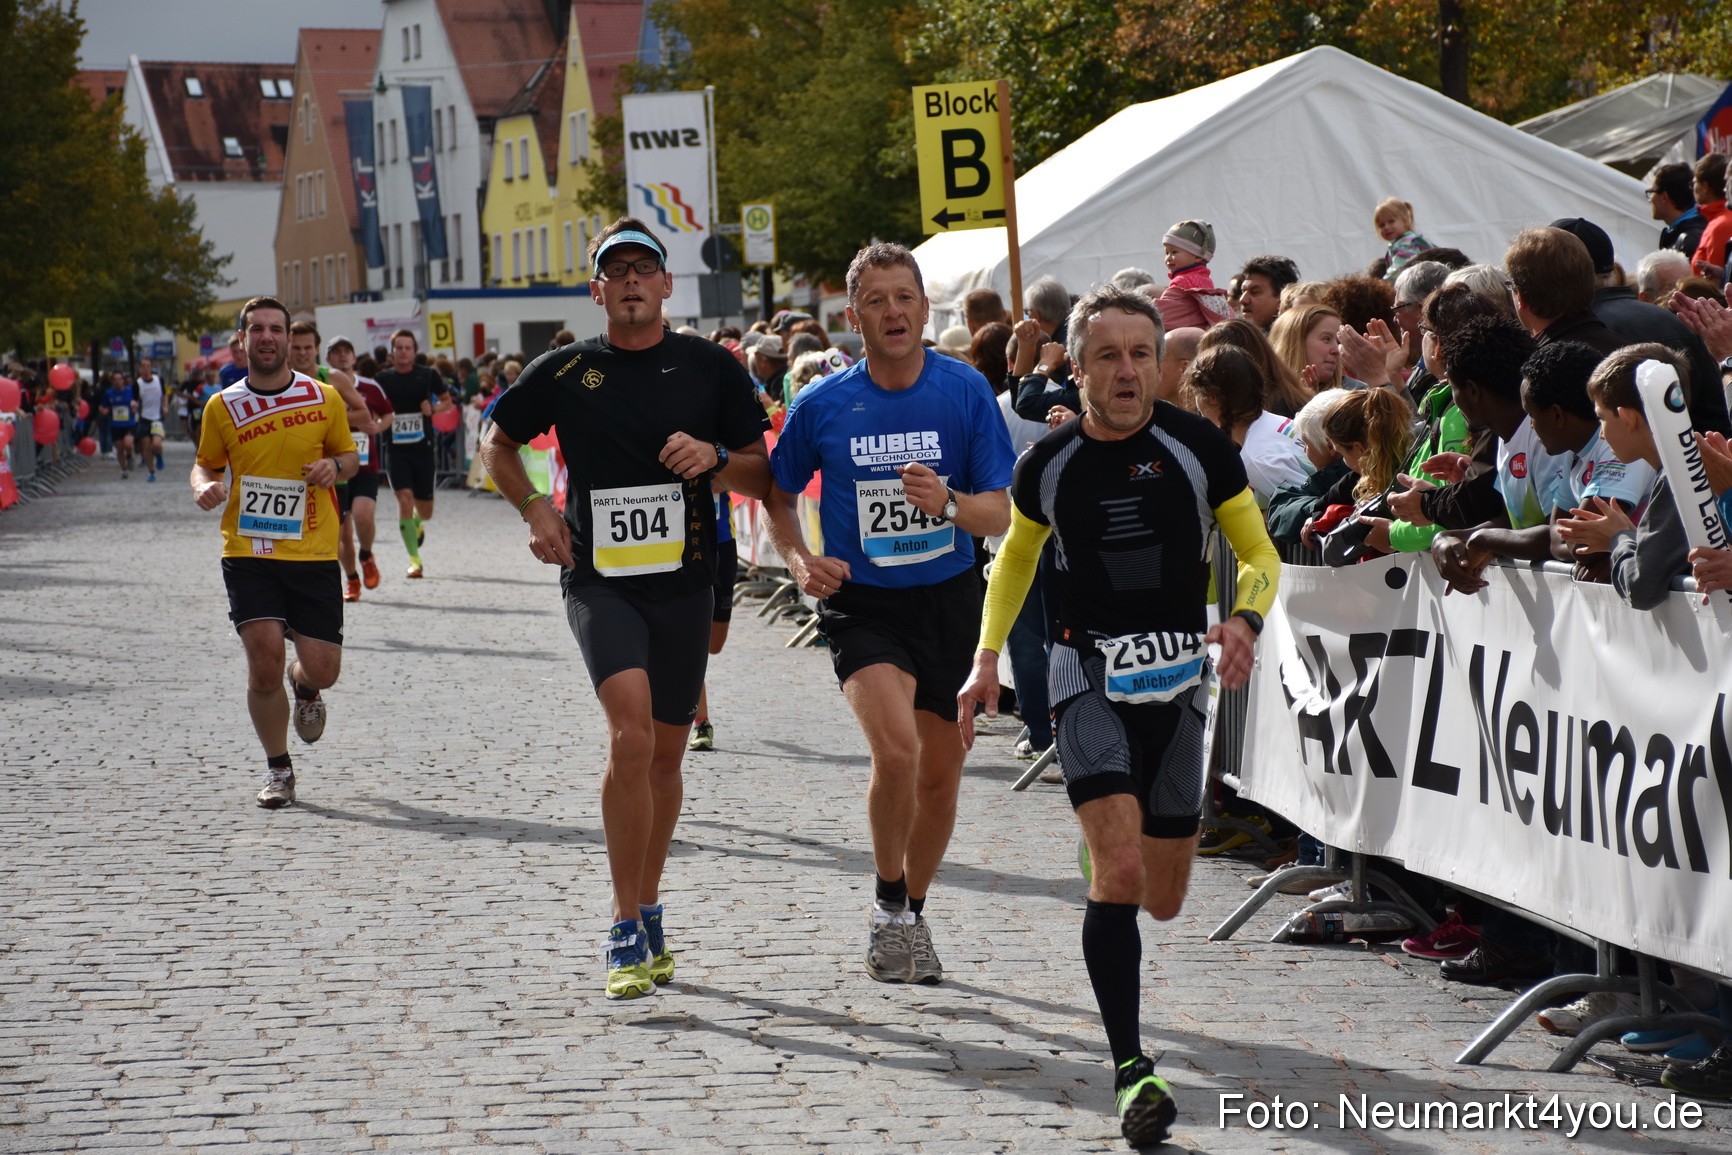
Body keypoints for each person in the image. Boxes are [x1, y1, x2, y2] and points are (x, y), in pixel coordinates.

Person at [956, 284, 1279, 1148]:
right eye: (1108, 354)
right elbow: (1014, 562)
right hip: (1083, 671)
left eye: (1143, 353)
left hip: (1177, 687)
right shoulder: (1047, 464)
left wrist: (1244, 618)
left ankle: (1112, 842)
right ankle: (1133, 1067)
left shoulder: (1198, 447)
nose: (1129, 370)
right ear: (1079, 362)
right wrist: (987, 657)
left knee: (1165, 896)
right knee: (1125, 868)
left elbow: (1258, 552)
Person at [479, 217, 772, 1000]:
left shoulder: (712, 367)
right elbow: (495, 443)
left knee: (668, 758)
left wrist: (715, 459)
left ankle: (648, 899)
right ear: (597, 287)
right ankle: (620, 920)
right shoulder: (567, 369)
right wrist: (536, 507)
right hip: (599, 579)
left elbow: (760, 469)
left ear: (668, 284)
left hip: (686, 578)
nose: (633, 281)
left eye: (646, 269)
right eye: (619, 271)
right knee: (630, 730)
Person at [763, 241, 1015, 987]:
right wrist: (800, 560)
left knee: (941, 776)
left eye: (904, 296)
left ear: (924, 306)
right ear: (853, 316)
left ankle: (911, 909)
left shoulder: (965, 392)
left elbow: (998, 513)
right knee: (897, 752)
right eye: (876, 300)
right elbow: (777, 492)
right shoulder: (823, 404)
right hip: (864, 605)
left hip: (949, 600)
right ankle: (885, 904)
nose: (893, 312)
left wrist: (950, 503)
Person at [188, 295, 358, 809]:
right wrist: (201, 486)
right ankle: (278, 768)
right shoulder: (223, 406)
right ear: (242, 340)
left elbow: (349, 456)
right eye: (255, 329)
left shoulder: (323, 396)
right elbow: (205, 465)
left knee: (323, 668)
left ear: (289, 338)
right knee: (262, 661)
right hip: (248, 548)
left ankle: (304, 687)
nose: (266, 337)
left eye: (274, 329)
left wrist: (335, 467)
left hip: (311, 551)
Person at [1183, 345, 1311, 507]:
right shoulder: (1274, 421)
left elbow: (1312, 510)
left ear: (1213, 397)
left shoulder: (1257, 460)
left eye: (1196, 394)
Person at [375, 328, 453, 578]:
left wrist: (433, 409)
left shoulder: (428, 374)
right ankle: (415, 561)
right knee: (404, 500)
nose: (403, 352)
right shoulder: (383, 379)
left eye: (408, 348)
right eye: (399, 348)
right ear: (392, 351)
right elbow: (375, 408)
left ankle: (417, 523)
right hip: (395, 450)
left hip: (423, 449)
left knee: (426, 511)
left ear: (414, 351)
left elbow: (447, 401)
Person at [327, 336, 393, 600]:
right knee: (343, 531)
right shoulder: (321, 386)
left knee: (363, 517)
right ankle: (352, 579)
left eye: (347, 352)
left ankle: (366, 554)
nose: (343, 357)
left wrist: (379, 426)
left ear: (354, 358)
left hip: (366, 465)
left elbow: (388, 413)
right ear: (328, 359)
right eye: (336, 353)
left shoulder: (369, 386)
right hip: (337, 468)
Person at [1153, 220, 1230, 332]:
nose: (1168, 258)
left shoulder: (1181, 281)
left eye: (1174, 252)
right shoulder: (1207, 281)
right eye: (1166, 253)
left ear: (1198, 256)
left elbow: (1164, 315)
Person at [1269, 302, 1343, 391]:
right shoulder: (1263, 394)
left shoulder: (1353, 393)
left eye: (1338, 342)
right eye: (1326, 339)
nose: (1337, 350)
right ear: (1295, 341)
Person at [1651, 162, 1705, 257]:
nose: (1650, 199)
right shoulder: (1688, 233)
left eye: (1651, 192)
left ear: (1664, 197)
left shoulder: (1691, 240)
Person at [1233, 255, 1299, 331]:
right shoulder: (1235, 338)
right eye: (1243, 291)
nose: (1243, 300)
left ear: (1282, 298)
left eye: (1255, 292)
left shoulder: (1297, 340)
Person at [1373, 197, 1432, 281]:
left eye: (1391, 221)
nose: (1386, 227)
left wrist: (1382, 286)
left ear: (1406, 221)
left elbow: (1397, 271)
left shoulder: (1408, 244)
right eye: (1381, 225)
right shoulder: (1398, 244)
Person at [100, 371, 137, 477]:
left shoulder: (130, 391)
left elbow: (137, 401)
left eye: (119, 379)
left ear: (123, 380)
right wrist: (104, 411)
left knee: (128, 444)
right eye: (115, 379)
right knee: (120, 449)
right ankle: (124, 469)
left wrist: (135, 406)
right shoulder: (109, 393)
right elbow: (103, 406)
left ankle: (129, 456)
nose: (118, 382)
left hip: (129, 423)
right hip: (116, 425)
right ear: (112, 381)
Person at [135, 357, 166, 480]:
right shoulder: (137, 383)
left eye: (147, 366)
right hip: (144, 418)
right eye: (143, 366)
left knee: (156, 444)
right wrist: (133, 405)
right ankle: (151, 471)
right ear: (140, 368)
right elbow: (134, 398)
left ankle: (158, 455)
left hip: (157, 418)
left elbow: (165, 395)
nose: (145, 368)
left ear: (151, 367)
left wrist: (165, 406)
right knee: (146, 446)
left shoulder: (159, 380)